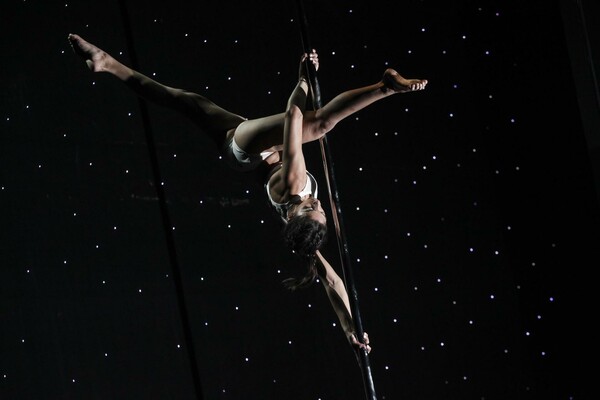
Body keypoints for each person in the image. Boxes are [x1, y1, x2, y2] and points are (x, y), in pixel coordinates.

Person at [68, 33, 428, 353]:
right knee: (182, 100)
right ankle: (108, 63)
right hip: (260, 148)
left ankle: (384, 88)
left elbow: (293, 118)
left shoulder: (291, 188)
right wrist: (351, 329)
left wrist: (303, 77)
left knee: (317, 124)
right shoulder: (304, 234)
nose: (315, 201)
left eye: (310, 206)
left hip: (245, 151)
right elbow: (332, 282)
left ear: (293, 213)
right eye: (320, 207)